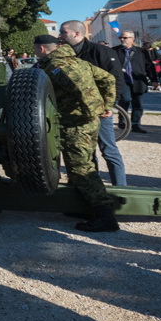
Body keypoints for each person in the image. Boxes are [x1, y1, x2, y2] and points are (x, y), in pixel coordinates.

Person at [33, 36, 121, 232]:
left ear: (41, 48)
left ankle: (105, 215)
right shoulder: (78, 61)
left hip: (76, 124)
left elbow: (78, 88)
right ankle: (82, 206)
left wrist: (89, 112)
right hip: (82, 122)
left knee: (82, 168)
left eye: (35, 50)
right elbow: (108, 78)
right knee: (77, 166)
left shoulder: (56, 67)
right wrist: (106, 105)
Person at [59, 21, 127, 187]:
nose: (60, 36)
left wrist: (109, 105)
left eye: (63, 32)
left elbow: (116, 79)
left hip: (100, 111)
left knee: (109, 150)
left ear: (76, 34)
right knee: (85, 154)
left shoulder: (101, 52)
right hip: (75, 112)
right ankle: (94, 189)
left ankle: (121, 191)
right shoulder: (63, 54)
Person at [111, 31, 158, 134]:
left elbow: (149, 66)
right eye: (121, 38)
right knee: (125, 99)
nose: (122, 39)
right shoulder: (114, 51)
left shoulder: (141, 52)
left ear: (132, 39)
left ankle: (136, 124)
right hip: (122, 80)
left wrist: (154, 80)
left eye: (125, 37)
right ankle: (123, 121)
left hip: (138, 80)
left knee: (138, 104)